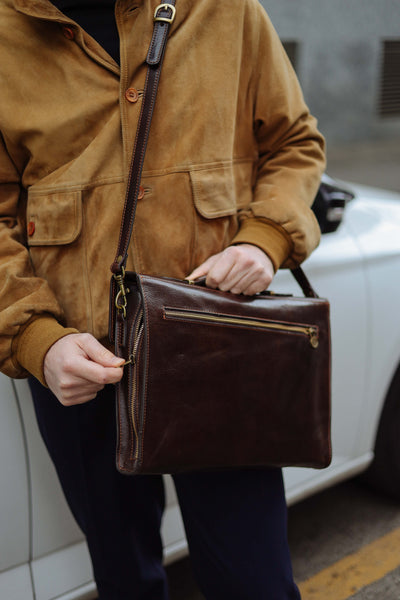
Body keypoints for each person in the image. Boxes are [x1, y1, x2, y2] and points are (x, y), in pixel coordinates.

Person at [0, 0, 325, 598]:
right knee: (126, 579)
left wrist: (265, 239)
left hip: (219, 349)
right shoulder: (6, 33)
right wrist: (34, 339)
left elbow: (293, 143)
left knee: (255, 581)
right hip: (77, 367)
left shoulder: (225, 10)